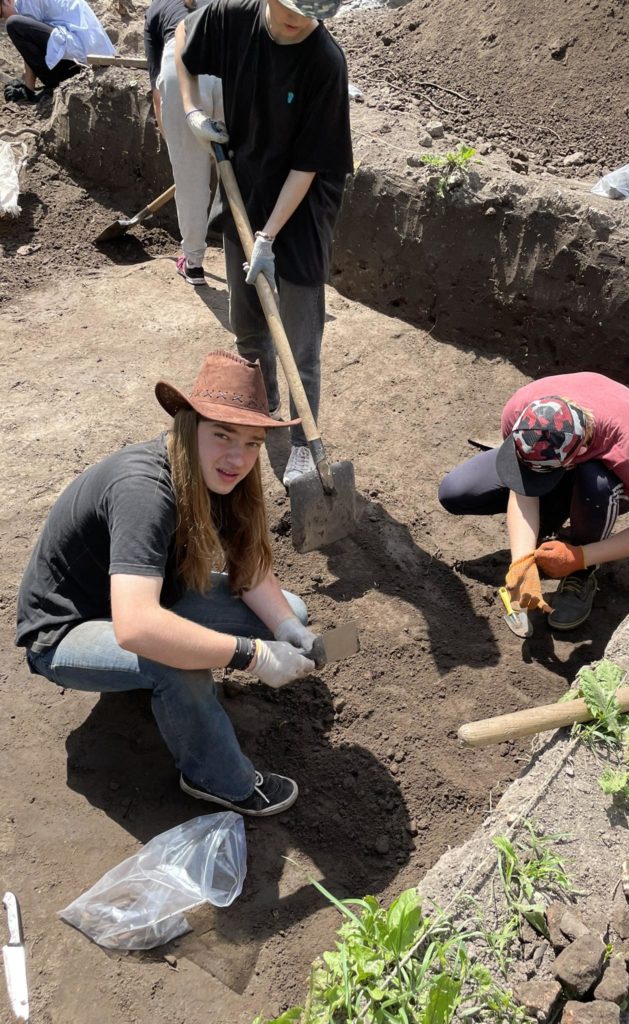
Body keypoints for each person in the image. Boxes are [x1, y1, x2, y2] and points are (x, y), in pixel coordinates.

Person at [15, 350, 321, 817]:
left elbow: (249, 568)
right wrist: (250, 654)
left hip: (144, 598)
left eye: (253, 443)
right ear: (188, 423)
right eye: (223, 435)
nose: (237, 458)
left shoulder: (221, 474)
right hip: (67, 632)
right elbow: (136, 628)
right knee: (172, 662)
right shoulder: (144, 490)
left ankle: (167, 683)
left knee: (291, 612)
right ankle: (221, 781)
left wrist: (284, 630)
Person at [174, 0, 354, 486]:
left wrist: (268, 237)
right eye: (290, 7)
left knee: (299, 340)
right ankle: (262, 403)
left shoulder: (324, 62)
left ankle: (302, 442)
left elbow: (310, 165)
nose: (299, 19)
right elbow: (182, 46)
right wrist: (192, 110)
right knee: (247, 323)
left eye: (313, 12)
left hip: (302, 207)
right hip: (245, 187)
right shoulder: (232, 16)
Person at [438, 372, 629, 631]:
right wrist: (522, 562)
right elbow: (523, 491)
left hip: (603, 473)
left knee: (596, 485)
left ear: (578, 453)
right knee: (456, 491)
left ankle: (582, 574)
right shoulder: (519, 411)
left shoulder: (627, 449)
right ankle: (551, 521)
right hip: (560, 460)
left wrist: (579, 557)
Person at [144, 0, 223, 286]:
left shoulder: (155, 11)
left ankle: (193, 263)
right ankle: (251, 257)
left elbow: (157, 92)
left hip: (180, 70)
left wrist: (176, 145)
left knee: (191, 183)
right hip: (227, 64)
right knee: (240, 171)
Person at [1, 0, 114, 103]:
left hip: (82, 63)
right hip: (89, 57)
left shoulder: (26, 3)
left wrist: (28, 88)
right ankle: (52, 83)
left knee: (13, 24)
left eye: (1, 14)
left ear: (7, 1)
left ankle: (52, 84)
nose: (3, 18)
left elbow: (30, 45)